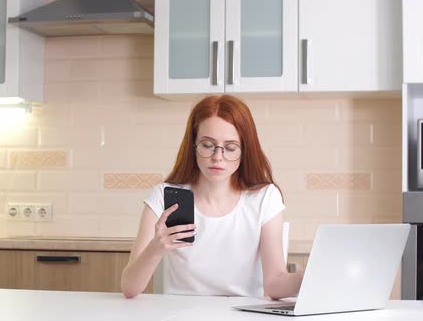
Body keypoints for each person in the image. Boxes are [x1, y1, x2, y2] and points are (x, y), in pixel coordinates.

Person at [121, 95, 304, 299]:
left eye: (230, 148)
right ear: (193, 146)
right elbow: (129, 288)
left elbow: (274, 285)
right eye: (207, 145)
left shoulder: (264, 198)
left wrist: (307, 277)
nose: (218, 157)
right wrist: (155, 249)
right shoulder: (163, 196)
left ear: (245, 151)